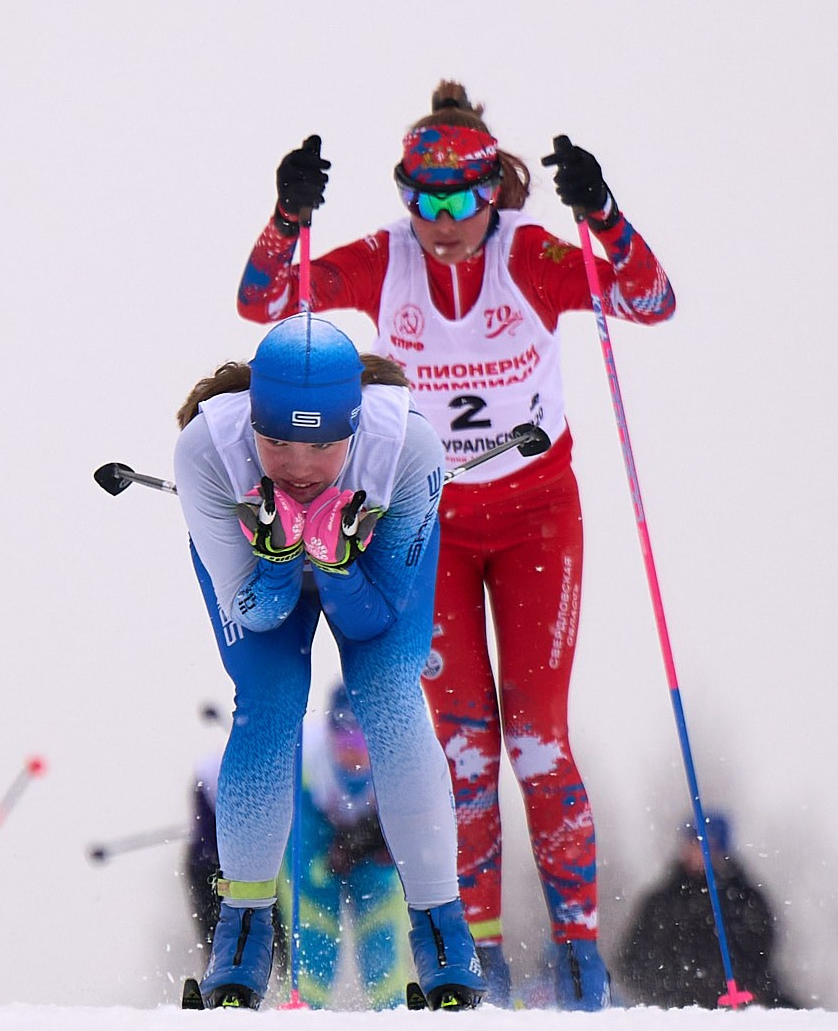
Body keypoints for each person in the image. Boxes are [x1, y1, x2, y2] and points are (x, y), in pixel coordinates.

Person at [238, 82, 678, 1009]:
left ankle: (579, 960)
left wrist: (602, 212)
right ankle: (475, 962)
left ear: (495, 190)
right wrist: (287, 215)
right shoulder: (384, 262)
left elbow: (651, 300)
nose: (441, 221)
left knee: (537, 743)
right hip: (427, 519)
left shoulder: (534, 256)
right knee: (461, 749)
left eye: (461, 198)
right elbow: (260, 302)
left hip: (533, 518)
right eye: (421, 197)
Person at [175, 315, 485, 1009]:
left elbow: (373, 618)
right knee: (271, 701)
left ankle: (442, 936)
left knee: (393, 703)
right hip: (263, 582)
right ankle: (243, 937)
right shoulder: (207, 452)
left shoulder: (408, 448)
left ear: (353, 429)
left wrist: (339, 563)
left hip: (368, 578)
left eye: (322, 445)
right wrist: (283, 556)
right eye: (277, 441)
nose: (298, 466)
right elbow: (258, 614)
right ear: (251, 422)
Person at [294, 686, 412, 1010]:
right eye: (344, 742)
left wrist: (371, 843)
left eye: (361, 742)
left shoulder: (396, 757)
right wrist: (327, 862)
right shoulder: (308, 758)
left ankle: (392, 1011)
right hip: (320, 845)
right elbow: (302, 847)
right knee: (315, 936)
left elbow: (406, 829)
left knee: (380, 937)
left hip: (372, 858)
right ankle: (305, 1010)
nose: (353, 753)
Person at [617, 810, 793, 1008]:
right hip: (678, 1013)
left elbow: (760, 955)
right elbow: (632, 961)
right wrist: (672, 994)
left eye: (704, 844)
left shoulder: (746, 900)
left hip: (739, 1008)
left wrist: (738, 988)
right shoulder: (661, 902)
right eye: (691, 843)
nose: (695, 851)